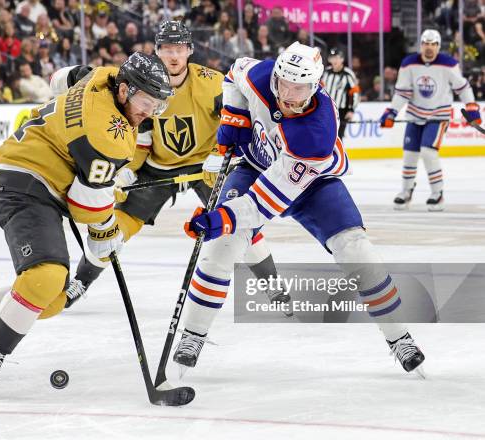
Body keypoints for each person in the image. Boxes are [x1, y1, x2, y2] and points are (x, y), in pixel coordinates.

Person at [0, 52, 174, 399]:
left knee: (49, 299)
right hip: (26, 183)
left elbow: (60, 79)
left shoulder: (101, 76)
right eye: (145, 102)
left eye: (156, 106)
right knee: (46, 276)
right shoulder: (109, 136)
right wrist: (106, 230)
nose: (148, 113)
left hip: (36, 180)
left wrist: (104, 177)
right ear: (124, 90)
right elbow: (84, 206)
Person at [175, 42, 426, 376]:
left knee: (357, 251)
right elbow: (235, 73)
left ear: (316, 86)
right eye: (283, 85)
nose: (288, 96)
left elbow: (264, 204)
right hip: (255, 165)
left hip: (313, 183)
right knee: (222, 248)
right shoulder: (262, 75)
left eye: (300, 88)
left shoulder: (315, 134)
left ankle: (399, 336)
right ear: (275, 75)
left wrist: (221, 218)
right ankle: (193, 334)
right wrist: (234, 115)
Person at [49, 21, 280, 308]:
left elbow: (243, 115)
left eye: (180, 48)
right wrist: (123, 171)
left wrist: (222, 154)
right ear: (156, 51)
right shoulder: (141, 80)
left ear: (190, 51)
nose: (173, 56)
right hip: (158, 166)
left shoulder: (210, 83)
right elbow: (134, 133)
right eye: (167, 49)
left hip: (206, 167)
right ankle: (80, 282)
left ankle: (273, 285)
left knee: (239, 222)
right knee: (115, 228)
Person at [380, 29, 481, 211]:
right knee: (410, 155)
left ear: (438, 46)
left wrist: (472, 106)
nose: (429, 48)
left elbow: (463, 87)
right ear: (420, 45)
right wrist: (391, 111)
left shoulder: (449, 64)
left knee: (428, 152)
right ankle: (406, 190)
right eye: (426, 44)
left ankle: (437, 193)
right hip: (415, 115)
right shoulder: (408, 64)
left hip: (438, 116)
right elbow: (403, 92)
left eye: (433, 44)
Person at [321, 48, 360, 139]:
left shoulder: (347, 74)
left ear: (342, 59)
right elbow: (320, 89)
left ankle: (338, 153)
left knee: (338, 136)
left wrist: (351, 110)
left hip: (341, 110)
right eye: (332, 57)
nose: (334, 60)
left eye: (337, 57)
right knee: (325, 134)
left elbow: (354, 92)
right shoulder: (326, 73)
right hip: (326, 108)